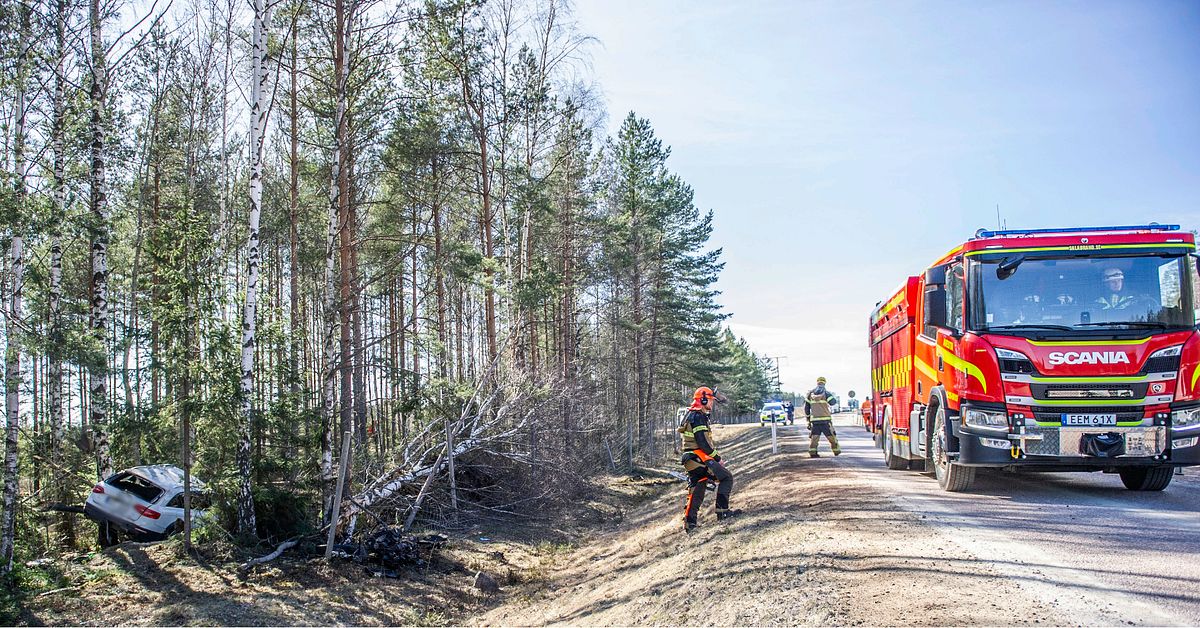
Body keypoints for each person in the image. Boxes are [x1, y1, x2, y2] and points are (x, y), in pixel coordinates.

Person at [679, 386, 740, 532]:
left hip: (691, 459)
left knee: (697, 487)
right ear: (703, 399)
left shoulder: (692, 414)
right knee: (726, 477)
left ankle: (690, 524)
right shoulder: (698, 417)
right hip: (698, 457)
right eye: (710, 400)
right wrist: (717, 458)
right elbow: (703, 443)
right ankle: (723, 512)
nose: (712, 404)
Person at [805, 377, 841, 458]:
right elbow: (833, 402)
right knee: (831, 437)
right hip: (826, 420)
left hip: (815, 421)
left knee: (814, 438)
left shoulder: (810, 394)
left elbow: (806, 408)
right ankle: (836, 451)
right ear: (824, 383)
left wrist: (808, 419)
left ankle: (813, 453)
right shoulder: (826, 393)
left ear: (817, 383)